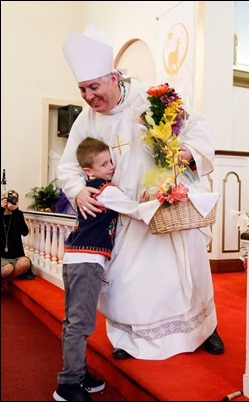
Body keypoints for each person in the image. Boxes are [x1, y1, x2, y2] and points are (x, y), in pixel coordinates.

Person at [58, 24, 224, 362]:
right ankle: (129, 337)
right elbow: (68, 166)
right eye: (82, 90)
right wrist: (78, 192)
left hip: (165, 206)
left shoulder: (153, 99)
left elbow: (198, 126)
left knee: (186, 271)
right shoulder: (85, 121)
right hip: (124, 217)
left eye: (94, 87)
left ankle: (204, 329)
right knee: (129, 281)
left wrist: (187, 152)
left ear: (113, 76)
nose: (89, 97)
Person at [54, 137, 159, 402]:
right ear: (88, 171)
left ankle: (78, 372)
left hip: (74, 259)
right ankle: (68, 384)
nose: (111, 167)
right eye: (103, 164)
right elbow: (134, 209)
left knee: (73, 322)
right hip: (86, 262)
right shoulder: (105, 190)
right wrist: (163, 200)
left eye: (110, 161)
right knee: (80, 324)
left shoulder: (91, 189)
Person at [1, 189, 35, 284]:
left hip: (16, 256)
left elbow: (24, 232)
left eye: (14, 198)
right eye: (9, 197)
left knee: (25, 263)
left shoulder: (18, 214)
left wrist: (16, 211)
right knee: (7, 269)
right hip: (2, 257)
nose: (11, 200)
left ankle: (4, 281)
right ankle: (5, 278)